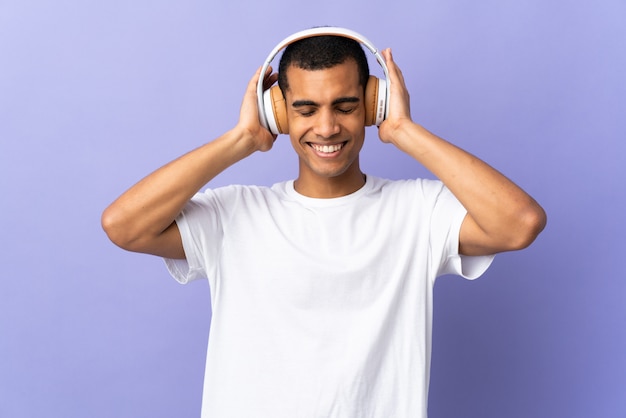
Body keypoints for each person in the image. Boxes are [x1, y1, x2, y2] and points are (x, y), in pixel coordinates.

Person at [102, 28, 546, 418]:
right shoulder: (233, 215)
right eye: (306, 109)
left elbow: (520, 223)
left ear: (374, 103)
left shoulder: (418, 212)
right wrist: (241, 139)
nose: (328, 127)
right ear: (278, 112)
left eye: (347, 105)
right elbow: (124, 225)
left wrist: (403, 130)